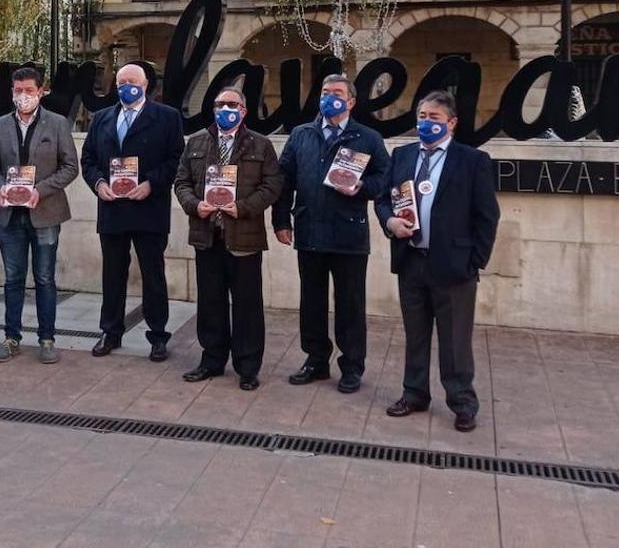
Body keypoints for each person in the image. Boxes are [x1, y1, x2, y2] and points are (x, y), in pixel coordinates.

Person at [375, 91, 500, 432]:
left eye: (433, 117)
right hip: (411, 260)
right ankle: (414, 393)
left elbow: (487, 217)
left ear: (452, 123)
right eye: (422, 116)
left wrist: (474, 261)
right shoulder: (402, 155)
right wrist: (389, 222)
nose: (426, 123)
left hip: (454, 266)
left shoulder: (472, 160)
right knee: (415, 335)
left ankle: (462, 401)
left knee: (455, 340)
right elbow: (383, 198)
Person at [272, 74, 389, 394]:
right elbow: (284, 182)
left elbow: (385, 178)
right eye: (325, 92)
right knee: (311, 301)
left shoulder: (367, 138)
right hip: (310, 229)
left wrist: (362, 187)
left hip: (349, 234)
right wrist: (281, 221)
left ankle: (351, 365)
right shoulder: (301, 134)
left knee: (350, 303)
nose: (330, 98)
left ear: (351, 101)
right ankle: (315, 360)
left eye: (337, 93)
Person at [174, 87, 283, 390]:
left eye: (232, 104)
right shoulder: (196, 142)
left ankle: (248, 366)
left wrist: (244, 207)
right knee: (210, 302)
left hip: (244, 236)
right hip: (207, 235)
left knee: (247, 304)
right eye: (221, 104)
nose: (226, 109)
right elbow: (181, 181)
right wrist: (195, 204)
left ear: (244, 111)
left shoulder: (260, 146)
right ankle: (211, 360)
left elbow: (273, 185)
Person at [80, 63, 185, 361]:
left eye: (133, 81)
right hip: (112, 208)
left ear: (146, 84)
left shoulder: (167, 117)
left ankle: (158, 335)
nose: (127, 87)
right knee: (112, 274)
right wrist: (98, 183)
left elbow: (176, 158)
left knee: (153, 275)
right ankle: (110, 331)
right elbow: (88, 159)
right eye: (121, 81)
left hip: (149, 208)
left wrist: (152, 183)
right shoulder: (101, 119)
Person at [0, 67, 79, 364]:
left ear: (41, 92)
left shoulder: (58, 124)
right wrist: (1, 187)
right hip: (10, 216)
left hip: (44, 213)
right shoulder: (0, 124)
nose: (22, 96)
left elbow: (70, 167)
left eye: (28, 90)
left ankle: (47, 339)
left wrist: (40, 190)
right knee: (12, 279)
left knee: (45, 278)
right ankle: (11, 337)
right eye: (17, 90)